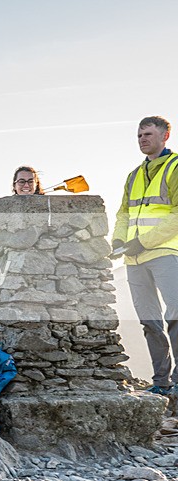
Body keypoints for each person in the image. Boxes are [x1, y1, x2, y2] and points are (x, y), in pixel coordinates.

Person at [113, 116, 178, 396]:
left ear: (165, 136)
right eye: (140, 135)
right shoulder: (134, 175)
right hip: (134, 259)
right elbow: (123, 213)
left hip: (166, 254)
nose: (142, 139)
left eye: (148, 134)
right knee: (150, 322)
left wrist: (143, 242)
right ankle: (161, 382)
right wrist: (118, 239)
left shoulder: (175, 167)